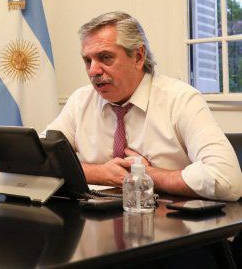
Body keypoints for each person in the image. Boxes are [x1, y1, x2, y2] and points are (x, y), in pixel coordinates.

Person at [46, 11, 242, 201]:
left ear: (138, 57)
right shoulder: (81, 100)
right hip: (97, 224)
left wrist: (146, 175)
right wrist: (100, 173)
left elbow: (227, 179)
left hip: (171, 225)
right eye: (87, 60)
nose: (93, 70)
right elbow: (37, 161)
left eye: (105, 57)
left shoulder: (181, 100)